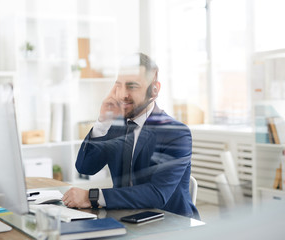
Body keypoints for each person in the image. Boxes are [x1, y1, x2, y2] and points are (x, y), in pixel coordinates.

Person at [62, 53, 200, 219]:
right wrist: (102, 122)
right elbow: (85, 167)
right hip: (126, 218)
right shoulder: (116, 126)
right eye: (119, 85)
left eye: (132, 86)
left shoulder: (175, 133)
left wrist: (92, 197)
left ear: (154, 90)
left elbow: (156, 194)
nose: (122, 95)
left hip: (170, 225)